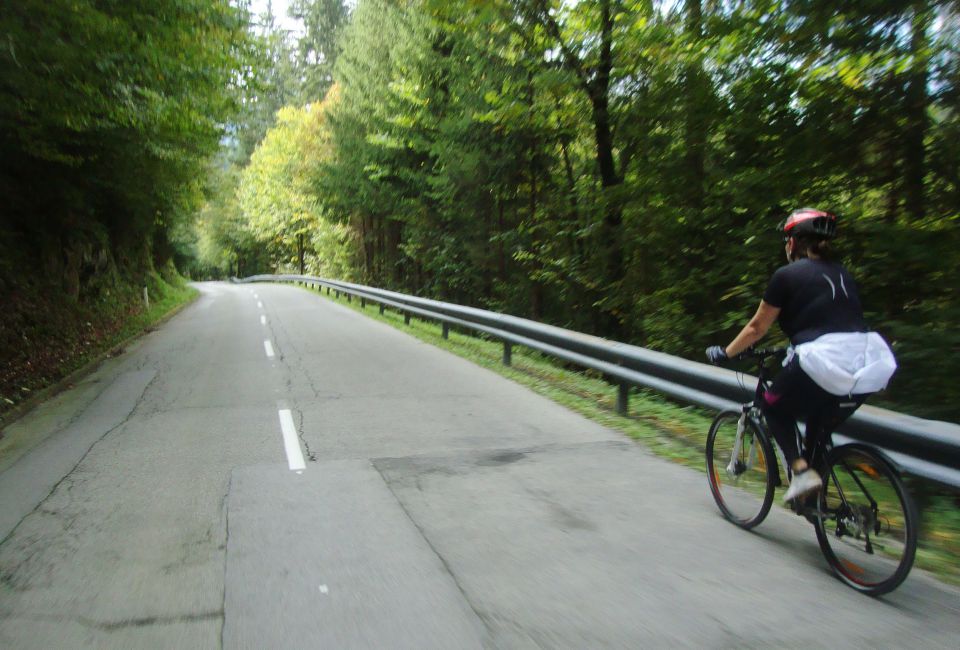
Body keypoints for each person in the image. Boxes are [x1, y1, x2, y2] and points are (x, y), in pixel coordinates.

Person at [705, 208, 897, 502]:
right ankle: (815, 498)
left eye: (786, 239)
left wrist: (727, 352)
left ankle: (801, 472)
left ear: (793, 242)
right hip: (865, 363)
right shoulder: (843, 273)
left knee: (773, 408)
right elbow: (832, 322)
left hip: (823, 362)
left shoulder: (786, 275)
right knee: (817, 425)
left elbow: (757, 328)